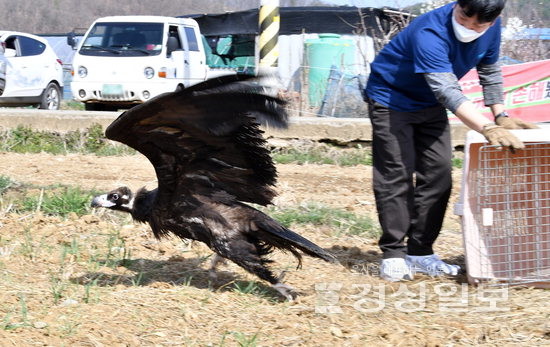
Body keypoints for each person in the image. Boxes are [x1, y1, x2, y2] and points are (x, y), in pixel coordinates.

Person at [364, 0, 538, 282]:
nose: (468, 28)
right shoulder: (430, 31)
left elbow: (490, 70)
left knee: (439, 174)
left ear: (492, 21)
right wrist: (488, 128)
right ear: (458, 5)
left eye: (478, 25)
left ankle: (420, 252)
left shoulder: (492, 28)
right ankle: (393, 254)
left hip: (429, 103)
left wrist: (501, 115)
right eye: (463, 18)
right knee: (395, 174)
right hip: (391, 99)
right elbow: (446, 89)